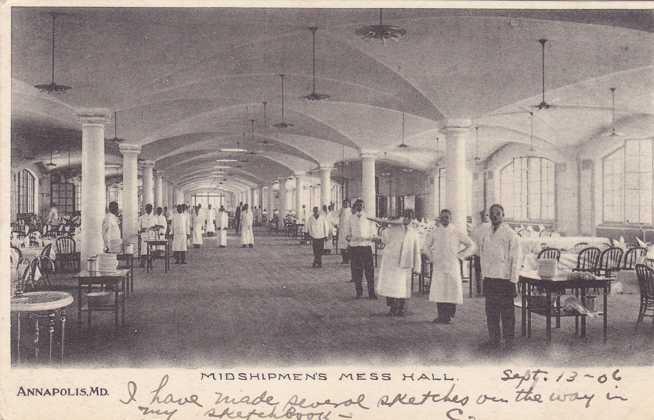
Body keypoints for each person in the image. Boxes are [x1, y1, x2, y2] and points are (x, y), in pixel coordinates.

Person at [479, 203, 521, 351]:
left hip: (504, 279)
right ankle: (494, 339)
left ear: (503, 215)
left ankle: (509, 340)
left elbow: (515, 259)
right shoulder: (486, 233)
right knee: (491, 311)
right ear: (489, 216)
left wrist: (513, 280)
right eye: (492, 213)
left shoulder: (510, 234)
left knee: (507, 312)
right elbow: (483, 255)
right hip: (490, 277)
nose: (495, 216)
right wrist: (484, 275)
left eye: (498, 213)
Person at [424, 209, 476, 324]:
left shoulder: (456, 232)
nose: (444, 219)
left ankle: (449, 315)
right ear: (439, 218)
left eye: (447, 217)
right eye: (442, 217)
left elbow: (471, 245)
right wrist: (432, 258)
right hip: (439, 265)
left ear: (450, 218)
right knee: (440, 290)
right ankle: (441, 315)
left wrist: (461, 255)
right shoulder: (435, 232)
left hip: (452, 264)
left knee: (451, 290)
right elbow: (426, 246)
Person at [376, 211, 422, 316]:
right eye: (406, 216)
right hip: (392, 261)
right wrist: (385, 227)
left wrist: (417, 267)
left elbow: (416, 250)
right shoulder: (393, 228)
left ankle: (402, 308)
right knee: (391, 285)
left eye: (410, 217)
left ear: (412, 219)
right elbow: (384, 239)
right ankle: (392, 308)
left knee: (403, 287)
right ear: (402, 217)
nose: (407, 219)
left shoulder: (414, 232)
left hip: (406, 262)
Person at [344, 199, 377, 299]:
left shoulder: (368, 218)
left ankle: (371, 293)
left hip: (366, 246)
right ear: (355, 206)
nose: (359, 207)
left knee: (369, 271)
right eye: (358, 205)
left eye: (361, 206)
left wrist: (369, 237)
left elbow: (373, 233)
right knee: (357, 271)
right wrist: (350, 238)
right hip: (355, 247)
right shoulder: (350, 218)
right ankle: (359, 292)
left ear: (364, 207)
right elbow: (347, 234)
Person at [471, 209, 490, 295]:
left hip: (486, 254)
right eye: (484, 215)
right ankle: (480, 288)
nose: (486, 217)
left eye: (487, 215)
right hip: (480, 254)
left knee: (486, 272)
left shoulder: (492, 227)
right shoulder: (477, 228)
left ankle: (484, 289)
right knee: (480, 271)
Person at [337, 200, 352, 264]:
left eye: (346, 203)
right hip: (342, 230)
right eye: (344, 203)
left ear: (349, 204)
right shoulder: (341, 210)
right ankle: (344, 259)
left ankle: (348, 259)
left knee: (348, 245)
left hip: (348, 230)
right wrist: (337, 225)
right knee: (342, 246)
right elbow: (335, 217)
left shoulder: (351, 211)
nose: (345, 204)